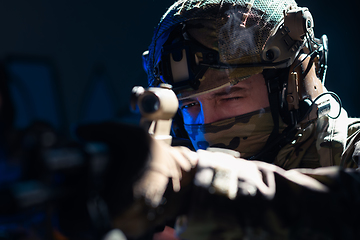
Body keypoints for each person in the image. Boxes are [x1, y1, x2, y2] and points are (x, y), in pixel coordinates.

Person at [80, 0, 360, 239]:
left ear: (292, 88)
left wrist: (193, 188)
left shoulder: (351, 151)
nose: (206, 121)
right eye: (189, 105)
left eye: (229, 97)